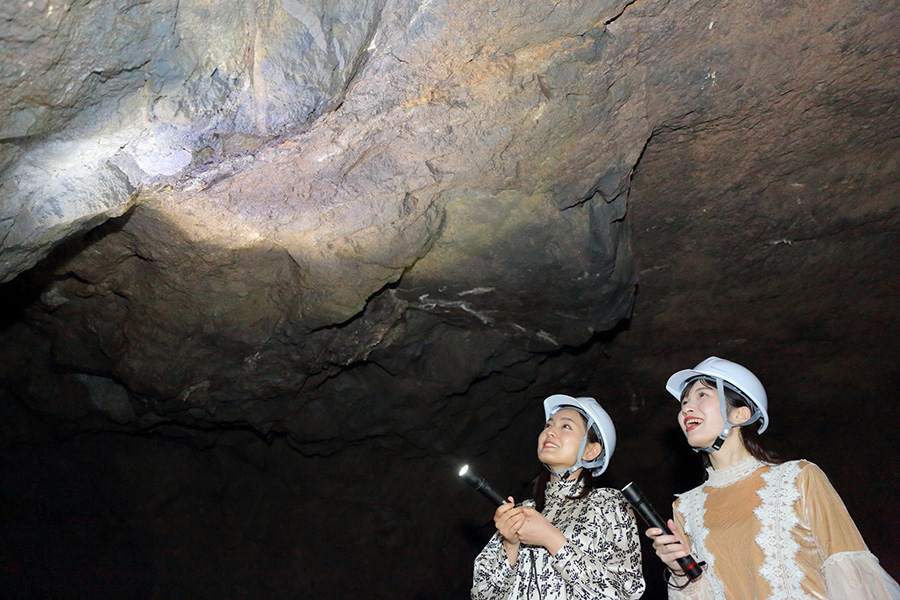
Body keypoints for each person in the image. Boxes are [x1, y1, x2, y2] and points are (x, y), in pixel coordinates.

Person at [646, 356, 900, 599]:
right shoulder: (686, 507)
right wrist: (680, 572)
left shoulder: (799, 477)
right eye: (684, 402)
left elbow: (849, 567)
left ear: (741, 414)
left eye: (702, 395)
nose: (686, 408)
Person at [471, 394, 645, 600]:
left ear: (590, 451)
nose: (550, 431)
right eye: (548, 425)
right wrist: (510, 544)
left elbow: (625, 592)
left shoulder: (608, 503)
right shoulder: (523, 510)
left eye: (566, 427)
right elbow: (482, 595)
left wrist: (551, 538)